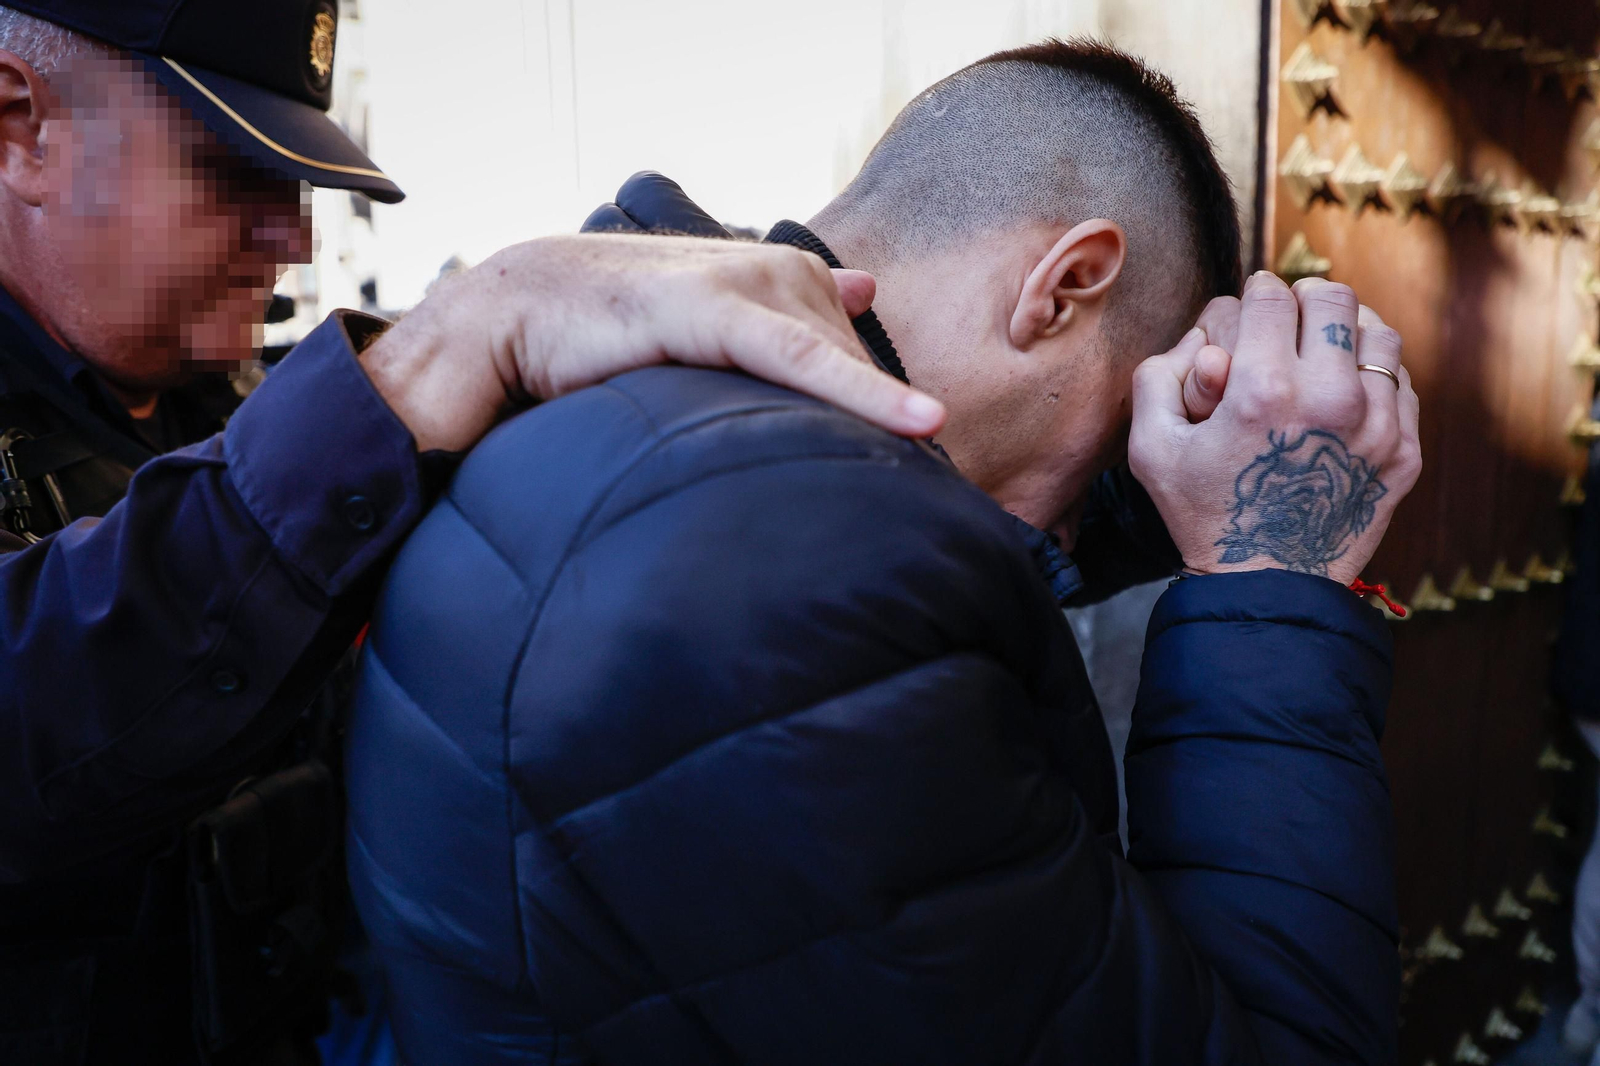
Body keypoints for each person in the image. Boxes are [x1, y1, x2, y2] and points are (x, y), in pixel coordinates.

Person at [345, 39, 1422, 1066]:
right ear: (1062, 285)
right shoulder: (817, 592)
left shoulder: (637, 426)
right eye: (1097, 455)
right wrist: (1271, 572)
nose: (1063, 531)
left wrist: (1180, 476)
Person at [0, 3, 944, 1064]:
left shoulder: (226, 398)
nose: (293, 238)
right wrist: (439, 352)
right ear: (20, 127)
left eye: (296, 186)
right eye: (232, 170)